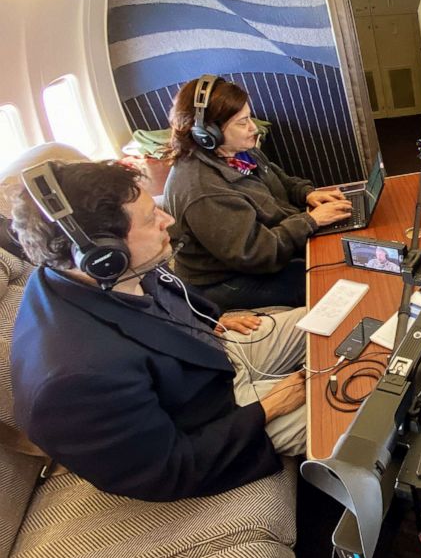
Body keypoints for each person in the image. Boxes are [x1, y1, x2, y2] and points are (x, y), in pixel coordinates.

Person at [10, 160, 309, 501]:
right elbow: (170, 469)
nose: (169, 221)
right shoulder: (74, 381)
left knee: (330, 320)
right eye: (152, 218)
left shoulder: (108, 271)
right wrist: (270, 406)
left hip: (212, 355)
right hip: (215, 418)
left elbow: (162, 307)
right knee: (348, 404)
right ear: (102, 254)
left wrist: (211, 320)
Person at [165, 75, 353, 310]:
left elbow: (280, 180)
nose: (253, 128)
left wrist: (307, 194)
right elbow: (255, 254)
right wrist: (311, 220)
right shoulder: (204, 191)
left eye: (249, 117)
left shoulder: (237, 151)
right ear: (208, 134)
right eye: (243, 122)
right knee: (334, 282)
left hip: (272, 246)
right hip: (230, 280)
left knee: (343, 254)